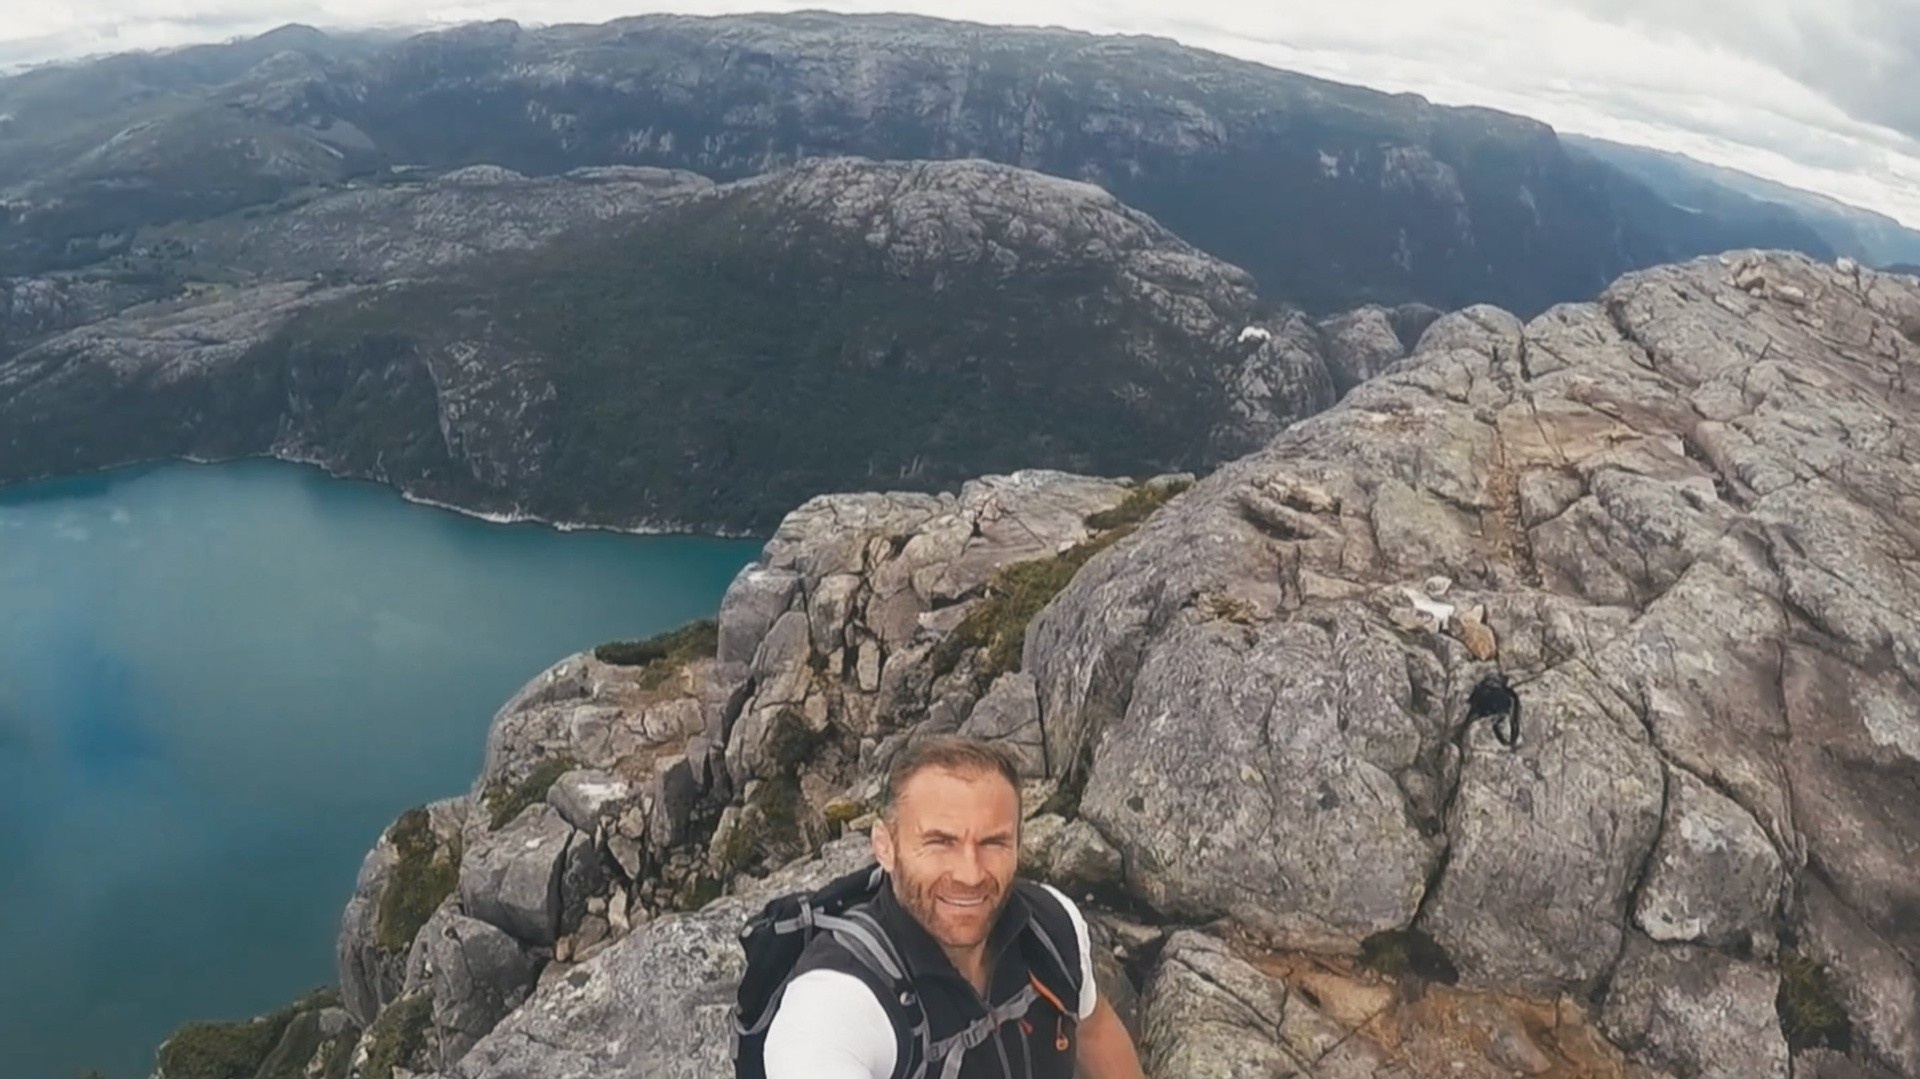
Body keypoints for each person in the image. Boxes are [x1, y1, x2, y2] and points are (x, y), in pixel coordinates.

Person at [763, 737, 1147, 1078]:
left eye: (993, 842)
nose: (970, 874)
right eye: (940, 842)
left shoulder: (1050, 926)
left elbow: (1093, 1030)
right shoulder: (835, 1000)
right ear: (884, 846)